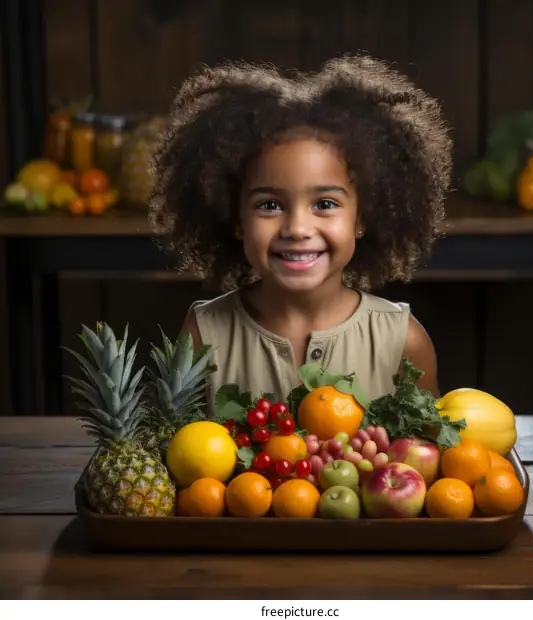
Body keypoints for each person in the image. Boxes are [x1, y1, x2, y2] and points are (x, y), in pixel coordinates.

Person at [148, 54, 453, 410]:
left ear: (363, 217)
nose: (297, 228)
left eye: (324, 204)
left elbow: (430, 459)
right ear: (234, 218)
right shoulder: (203, 334)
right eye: (269, 205)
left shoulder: (403, 341)